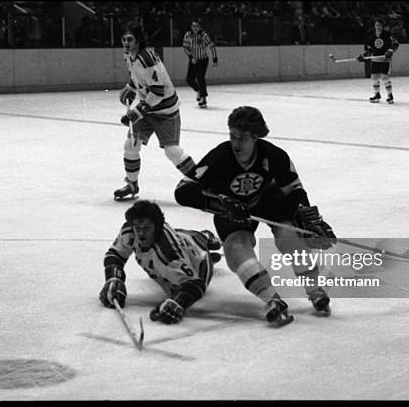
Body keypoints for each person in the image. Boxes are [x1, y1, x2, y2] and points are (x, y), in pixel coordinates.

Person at [174, 106, 337, 326]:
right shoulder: (220, 156)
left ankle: (314, 288)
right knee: (235, 250)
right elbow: (183, 190)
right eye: (233, 136)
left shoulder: (274, 155)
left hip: (269, 202)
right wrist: (221, 203)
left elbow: (294, 191)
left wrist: (308, 219)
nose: (236, 143)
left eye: (243, 138)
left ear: (256, 137)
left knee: (290, 236)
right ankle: (271, 298)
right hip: (231, 210)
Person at [100, 200, 222, 324]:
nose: (141, 234)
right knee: (179, 236)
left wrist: (180, 303)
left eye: (147, 228)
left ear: (157, 227)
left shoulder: (168, 253)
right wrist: (114, 278)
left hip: (199, 260)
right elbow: (114, 255)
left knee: (193, 244)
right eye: (138, 228)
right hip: (177, 247)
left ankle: (205, 238)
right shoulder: (130, 231)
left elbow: (196, 284)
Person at [115, 22, 197, 200]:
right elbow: (137, 78)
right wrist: (130, 87)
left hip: (166, 110)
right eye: (124, 39)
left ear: (138, 41)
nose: (126, 43)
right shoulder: (129, 55)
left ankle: (200, 182)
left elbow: (158, 92)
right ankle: (131, 184)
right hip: (148, 109)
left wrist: (135, 112)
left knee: (172, 151)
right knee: (131, 145)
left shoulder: (147, 58)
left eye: (130, 39)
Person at [357, 19, 400, 104]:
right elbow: (368, 49)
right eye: (376, 25)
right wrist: (363, 55)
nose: (378, 27)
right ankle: (377, 94)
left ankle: (390, 95)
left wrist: (390, 51)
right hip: (376, 59)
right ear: (374, 26)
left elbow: (395, 44)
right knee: (374, 77)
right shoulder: (371, 36)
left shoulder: (388, 34)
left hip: (385, 59)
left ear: (382, 26)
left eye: (379, 25)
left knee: (384, 77)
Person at [182, 19, 218, 108]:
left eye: (197, 26)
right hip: (193, 60)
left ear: (200, 27)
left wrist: (215, 59)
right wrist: (191, 57)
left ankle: (203, 98)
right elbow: (185, 47)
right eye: (193, 26)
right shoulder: (188, 35)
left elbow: (212, 46)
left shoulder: (204, 35)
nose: (195, 28)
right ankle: (198, 90)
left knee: (200, 78)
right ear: (191, 27)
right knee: (189, 79)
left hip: (203, 60)